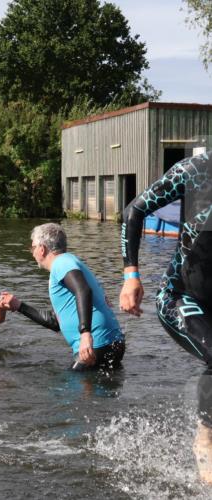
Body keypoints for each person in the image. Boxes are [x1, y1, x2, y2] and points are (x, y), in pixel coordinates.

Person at [119, 150, 212, 482]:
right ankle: (205, 439)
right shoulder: (195, 170)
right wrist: (132, 275)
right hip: (180, 298)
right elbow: (134, 211)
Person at [0, 223, 124, 371]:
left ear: (42, 248)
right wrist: (19, 306)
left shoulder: (61, 263)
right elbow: (56, 322)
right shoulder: (68, 264)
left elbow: (83, 290)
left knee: (66, 390)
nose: (32, 253)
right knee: (90, 392)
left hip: (96, 342)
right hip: (110, 343)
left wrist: (85, 334)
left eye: (33, 247)